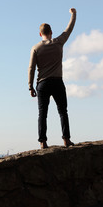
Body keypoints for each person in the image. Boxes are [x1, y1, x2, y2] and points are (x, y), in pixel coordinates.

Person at [28, 8, 77, 149]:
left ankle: (42, 142)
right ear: (51, 32)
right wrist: (73, 14)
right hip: (57, 82)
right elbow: (69, 29)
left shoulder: (35, 48)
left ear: (40, 34)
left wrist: (30, 86)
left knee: (42, 114)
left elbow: (31, 68)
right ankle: (66, 139)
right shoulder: (58, 42)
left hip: (42, 83)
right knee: (63, 111)